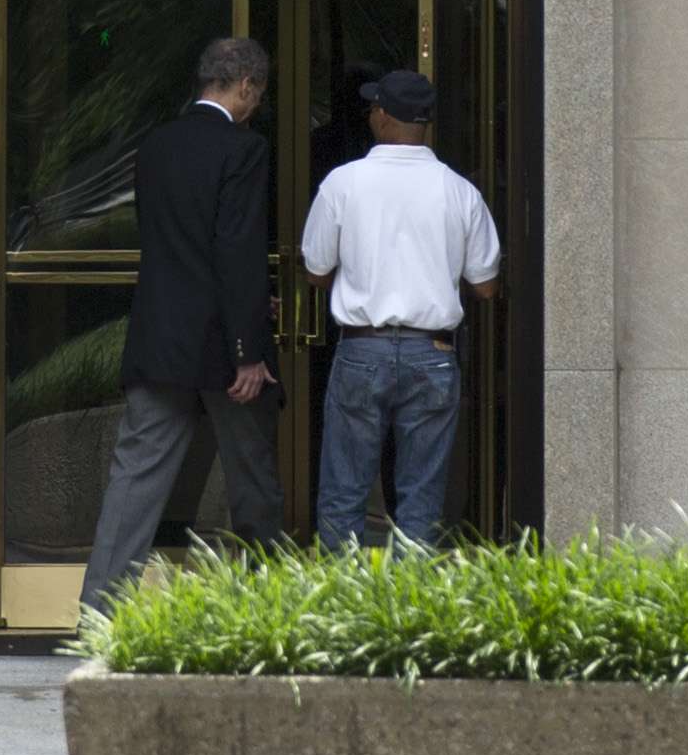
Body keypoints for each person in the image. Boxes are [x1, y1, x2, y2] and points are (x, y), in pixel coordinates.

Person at [78, 33, 286, 613]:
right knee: (253, 484)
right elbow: (235, 250)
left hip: (161, 338)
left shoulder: (156, 146)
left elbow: (174, 245)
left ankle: (98, 613)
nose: (256, 105)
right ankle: (268, 610)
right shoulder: (244, 149)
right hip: (222, 348)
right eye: (258, 94)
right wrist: (249, 347)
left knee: (134, 483)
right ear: (246, 84)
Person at [299, 67, 502, 549]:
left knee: (343, 493)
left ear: (384, 116)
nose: (369, 113)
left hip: (361, 350)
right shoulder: (460, 191)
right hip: (432, 351)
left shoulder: (342, 183)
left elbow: (314, 269)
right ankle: (407, 616)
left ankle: (340, 611)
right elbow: (487, 286)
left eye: (373, 106)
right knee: (421, 498)